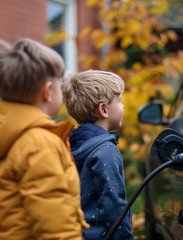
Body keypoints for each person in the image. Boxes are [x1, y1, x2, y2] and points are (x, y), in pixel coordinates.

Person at [0, 38, 89, 240]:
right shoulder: (39, 142)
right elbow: (54, 220)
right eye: (59, 85)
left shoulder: (11, 132)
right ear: (47, 92)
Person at [61, 70, 134, 240]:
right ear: (103, 110)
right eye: (119, 101)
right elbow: (114, 203)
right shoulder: (106, 151)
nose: (123, 106)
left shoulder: (69, 144)